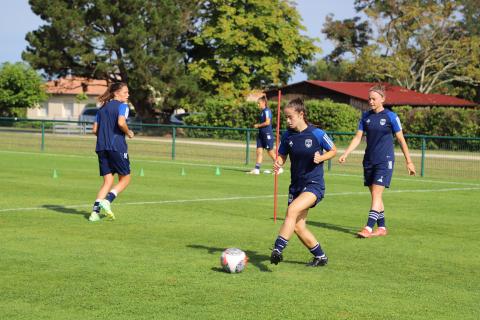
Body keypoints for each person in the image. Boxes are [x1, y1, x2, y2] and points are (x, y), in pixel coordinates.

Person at [338, 85, 416, 238]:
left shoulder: (391, 116)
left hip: (384, 160)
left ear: (383, 99)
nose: (371, 101)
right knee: (375, 196)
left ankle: (368, 228)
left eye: (374, 99)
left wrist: (409, 161)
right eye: (369, 99)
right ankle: (382, 228)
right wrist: (346, 153)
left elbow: (401, 139)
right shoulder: (366, 116)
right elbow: (358, 137)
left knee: (377, 194)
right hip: (369, 160)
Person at [270, 98, 337, 267]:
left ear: (301, 114)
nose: (287, 120)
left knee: (291, 211)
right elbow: (282, 155)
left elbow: (333, 150)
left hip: (314, 185)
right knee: (298, 227)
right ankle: (320, 257)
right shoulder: (287, 135)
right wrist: (278, 162)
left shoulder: (317, 134)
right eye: (285, 117)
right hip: (296, 186)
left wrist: (321, 157)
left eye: (290, 117)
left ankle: (277, 249)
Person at [88, 82, 134, 222]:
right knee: (126, 178)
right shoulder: (123, 106)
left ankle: (94, 213)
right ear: (116, 93)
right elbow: (121, 123)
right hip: (117, 147)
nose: (128, 95)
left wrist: (104, 137)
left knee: (108, 181)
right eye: (125, 92)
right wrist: (129, 132)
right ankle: (108, 200)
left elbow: (94, 130)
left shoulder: (102, 109)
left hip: (101, 147)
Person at [248, 96, 283, 175]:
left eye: (259, 103)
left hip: (267, 134)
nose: (258, 105)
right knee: (259, 151)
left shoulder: (267, 111)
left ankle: (279, 168)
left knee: (270, 152)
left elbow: (267, 122)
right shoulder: (262, 111)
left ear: (263, 103)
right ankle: (256, 169)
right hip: (261, 134)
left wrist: (258, 125)